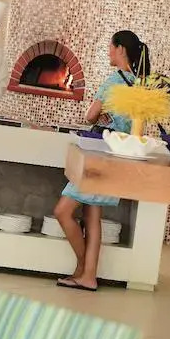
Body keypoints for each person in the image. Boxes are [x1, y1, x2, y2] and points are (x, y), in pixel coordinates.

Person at [53, 30, 150, 292]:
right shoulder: (140, 86)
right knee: (92, 215)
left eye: (110, 46)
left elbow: (90, 116)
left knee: (63, 212)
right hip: (117, 157)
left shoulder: (114, 80)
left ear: (120, 49)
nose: (108, 51)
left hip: (98, 155)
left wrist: (99, 115)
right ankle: (88, 276)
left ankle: (84, 268)